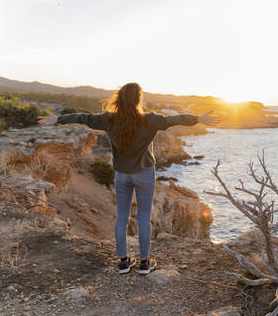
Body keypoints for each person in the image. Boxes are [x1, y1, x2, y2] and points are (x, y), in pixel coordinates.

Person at [38, 82, 221, 275]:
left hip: (122, 175)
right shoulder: (149, 120)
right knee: (143, 218)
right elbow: (173, 120)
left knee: (122, 218)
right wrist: (199, 119)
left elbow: (84, 117)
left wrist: (58, 118)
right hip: (144, 174)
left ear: (120, 98)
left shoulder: (109, 119)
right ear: (138, 99)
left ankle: (124, 263)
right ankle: (144, 263)